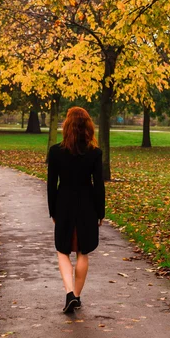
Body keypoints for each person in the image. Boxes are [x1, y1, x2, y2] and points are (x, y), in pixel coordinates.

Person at [47, 106, 105, 313]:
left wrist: (52, 210)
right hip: (87, 205)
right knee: (83, 250)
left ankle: (69, 293)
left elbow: (51, 184)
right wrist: (101, 212)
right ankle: (77, 297)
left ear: (67, 125)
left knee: (62, 251)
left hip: (63, 204)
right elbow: (98, 185)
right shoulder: (95, 153)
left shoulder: (55, 152)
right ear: (88, 126)